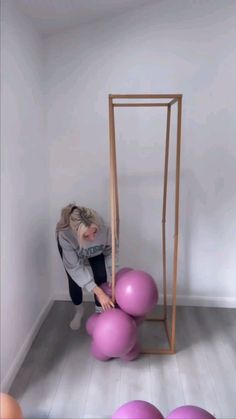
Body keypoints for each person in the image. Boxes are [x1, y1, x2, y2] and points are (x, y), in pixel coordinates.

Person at [56, 203, 117, 330]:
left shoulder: (104, 228)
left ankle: (100, 311)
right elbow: (75, 269)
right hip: (74, 252)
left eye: (94, 232)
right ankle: (79, 311)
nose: (92, 238)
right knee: (74, 281)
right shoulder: (65, 235)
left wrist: (114, 272)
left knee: (101, 275)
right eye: (86, 236)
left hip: (96, 251)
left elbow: (110, 251)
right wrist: (99, 293)